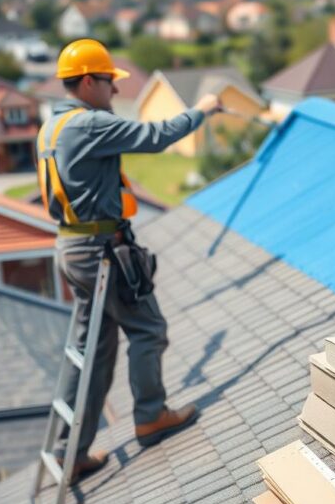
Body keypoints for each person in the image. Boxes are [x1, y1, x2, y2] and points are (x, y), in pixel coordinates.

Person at [41, 39, 221, 479]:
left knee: (94, 350)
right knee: (148, 328)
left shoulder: (53, 125)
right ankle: (151, 415)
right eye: (108, 82)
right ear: (88, 81)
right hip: (99, 250)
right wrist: (203, 109)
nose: (115, 91)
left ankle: (70, 450)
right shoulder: (87, 124)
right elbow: (157, 137)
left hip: (74, 247)